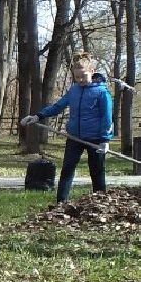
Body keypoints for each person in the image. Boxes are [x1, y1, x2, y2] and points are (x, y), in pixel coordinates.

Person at [21, 52, 113, 203]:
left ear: (92, 71)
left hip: (96, 139)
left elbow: (107, 118)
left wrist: (105, 140)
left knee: (97, 172)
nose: (80, 80)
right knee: (67, 170)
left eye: (83, 76)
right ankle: (61, 203)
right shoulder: (74, 91)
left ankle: (101, 203)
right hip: (74, 137)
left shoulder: (102, 92)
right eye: (77, 77)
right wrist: (38, 116)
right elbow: (58, 106)